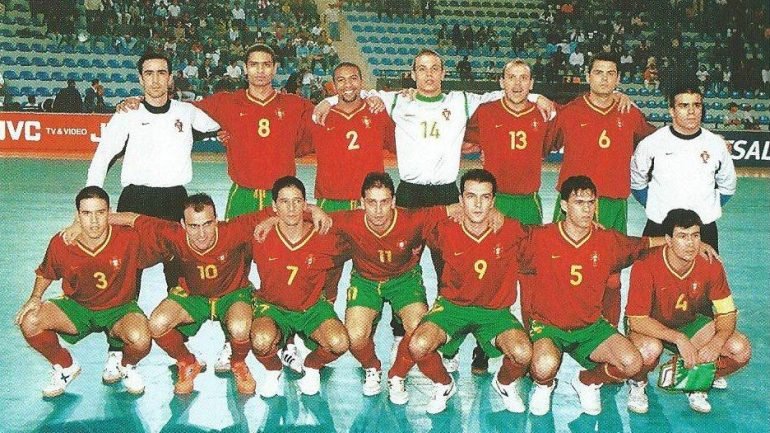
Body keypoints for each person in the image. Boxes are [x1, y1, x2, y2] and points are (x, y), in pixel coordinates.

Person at [314, 49, 553, 374]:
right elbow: (356, 90)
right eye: (422, 69)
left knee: (451, 265)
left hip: (444, 193)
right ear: (413, 74)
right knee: (399, 260)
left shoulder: (459, 101)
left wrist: (537, 96)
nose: (428, 75)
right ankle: (396, 328)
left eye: (434, 69)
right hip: (410, 193)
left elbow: (503, 92)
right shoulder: (399, 101)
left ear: (443, 73)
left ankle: (451, 340)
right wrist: (326, 101)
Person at [522, 176, 714, 416]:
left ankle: (587, 381)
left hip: (591, 327)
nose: (586, 209)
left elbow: (643, 244)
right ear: (563, 205)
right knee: (542, 366)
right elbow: (501, 237)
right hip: (549, 326)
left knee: (632, 363)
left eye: (591, 203)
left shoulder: (607, 241)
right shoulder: (540, 237)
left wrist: (687, 243)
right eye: (579, 202)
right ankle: (544, 386)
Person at [86, 52, 220, 380]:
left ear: (171, 77)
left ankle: (181, 347)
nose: (156, 79)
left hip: (176, 200)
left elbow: (224, 122)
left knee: (182, 278)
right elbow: (103, 156)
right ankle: (116, 352)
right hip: (135, 200)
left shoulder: (187, 113)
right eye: (149, 73)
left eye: (162, 72)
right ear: (140, 78)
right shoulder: (126, 115)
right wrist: (91, 201)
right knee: (124, 279)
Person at [105, 194, 270, 396]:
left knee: (240, 327)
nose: (201, 233)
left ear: (217, 221)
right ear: (183, 224)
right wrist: (81, 224)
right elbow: (132, 218)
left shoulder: (233, 230)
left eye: (207, 224)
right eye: (193, 226)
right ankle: (187, 363)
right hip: (194, 296)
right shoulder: (173, 234)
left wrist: (313, 211)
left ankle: (238, 364)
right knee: (157, 323)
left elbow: (283, 209)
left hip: (232, 294)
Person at [404, 169, 533, 414]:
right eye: (471, 196)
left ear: (493, 201)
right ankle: (444, 384)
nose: (477, 204)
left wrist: (592, 229)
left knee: (523, 353)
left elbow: (549, 239)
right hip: (453, 307)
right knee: (418, 345)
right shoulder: (444, 228)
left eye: (485, 198)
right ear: (460, 200)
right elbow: (408, 221)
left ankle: (504, 384)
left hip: (494, 312)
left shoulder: (511, 230)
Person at [16, 186, 164, 397]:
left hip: (119, 310)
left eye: (100, 213)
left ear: (109, 213)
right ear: (77, 216)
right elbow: (47, 271)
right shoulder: (62, 242)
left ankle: (125, 364)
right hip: (78, 308)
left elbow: (164, 234)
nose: (94, 221)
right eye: (86, 214)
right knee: (30, 320)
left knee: (141, 339)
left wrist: (125, 218)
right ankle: (66, 366)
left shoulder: (130, 238)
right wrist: (35, 297)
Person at [547, 53, 656, 328]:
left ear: (618, 78)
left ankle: (609, 331)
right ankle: (550, 330)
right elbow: (541, 144)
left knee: (611, 276)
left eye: (610, 73)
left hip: (612, 203)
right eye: (598, 72)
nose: (604, 78)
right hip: (573, 203)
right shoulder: (570, 112)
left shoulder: (628, 112)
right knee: (556, 270)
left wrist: (709, 142)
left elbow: (659, 141)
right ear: (588, 77)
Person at [330, 172, 459, 400]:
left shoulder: (413, 219)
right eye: (371, 202)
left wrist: (495, 214)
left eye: (384, 202)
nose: (378, 210)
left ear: (394, 201)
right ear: (362, 203)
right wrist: (309, 211)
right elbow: (298, 212)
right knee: (355, 335)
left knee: (419, 329)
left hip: (404, 280)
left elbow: (458, 209)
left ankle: (397, 375)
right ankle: (372, 367)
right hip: (366, 281)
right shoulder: (349, 220)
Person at [625, 209, 751, 414]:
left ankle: (696, 380)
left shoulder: (711, 263)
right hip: (652, 325)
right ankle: (638, 383)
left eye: (695, 235)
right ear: (668, 239)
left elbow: (727, 313)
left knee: (739, 349)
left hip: (690, 322)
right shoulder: (645, 264)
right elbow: (637, 320)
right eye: (682, 237)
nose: (691, 244)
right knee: (647, 351)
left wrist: (717, 342)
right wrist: (678, 339)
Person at [249, 176, 350, 397]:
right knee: (260, 340)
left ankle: (312, 367)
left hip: (311, 308)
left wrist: (315, 211)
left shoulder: (323, 234)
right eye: (284, 202)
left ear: (305, 204)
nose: (292, 208)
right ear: (274, 206)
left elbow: (357, 226)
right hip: (274, 309)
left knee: (339, 342)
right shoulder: (260, 235)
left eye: (297, 201)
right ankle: (273, 370)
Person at [630, 84, 736, 252]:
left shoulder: (716, 145)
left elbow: (728, 186)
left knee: (703, 278)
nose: (691, 111)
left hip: (703, 229)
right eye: (684, 105)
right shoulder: (651, 143)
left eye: (697, 105)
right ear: (671, 110)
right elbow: (637, 183)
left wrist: (706, 208)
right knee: (653, 277)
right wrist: (655, 205)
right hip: (660, 226)